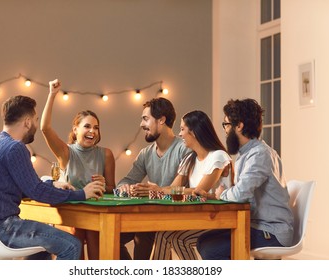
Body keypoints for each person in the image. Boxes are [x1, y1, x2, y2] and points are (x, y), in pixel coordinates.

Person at [0, 95, 105, 260]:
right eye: (35, 119)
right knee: (72, 245)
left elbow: (27, 187)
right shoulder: (15, 148)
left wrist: (52, 183)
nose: (35, 124)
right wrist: (82, 194)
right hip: (3, 228)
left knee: (41, 246)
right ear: (27, 122)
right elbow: (37, 192)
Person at [196, 98, 294, 260]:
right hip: (259, 225)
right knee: (204, 240)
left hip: (271, 231)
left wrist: (222, 194)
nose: (225, 131)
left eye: (226, 125)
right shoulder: (248, 154)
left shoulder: (259, 155)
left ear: (239, 126)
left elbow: (241, 194)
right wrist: (218, 195)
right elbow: (243, 192)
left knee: (211, 249)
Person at [41, 79, 116, 260]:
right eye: (87, 126)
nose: (93, 131)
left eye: (96, 127)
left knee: (95, 234)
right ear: (75, 130)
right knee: (78, 234)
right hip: (71, 213)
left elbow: (111, 189)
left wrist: (104, 185)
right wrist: (52, 94)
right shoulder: (66, 152)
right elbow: (45, 128)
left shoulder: (106, 154)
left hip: (95, 213)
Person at [149, 110, 233, 260]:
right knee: (163, 234)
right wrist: (159, 190)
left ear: (194, 132)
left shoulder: (218, 156)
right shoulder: (189, 159)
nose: (179, 134)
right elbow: (172, 188)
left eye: (182, 129)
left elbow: (199, 191)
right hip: (199, 217)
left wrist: (162, 190)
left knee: (176, 238)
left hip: (218, 219)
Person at [117, 97, 190, 260]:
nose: (141, 125)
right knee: (111, 235)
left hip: (179, 216)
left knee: (142, 233)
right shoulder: (146, 153)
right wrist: (125, 187)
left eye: (145, 119)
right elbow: (126, 180)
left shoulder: (184, 149)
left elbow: (180, 190)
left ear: (161, 120)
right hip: (148, 217)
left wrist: (154, 191)